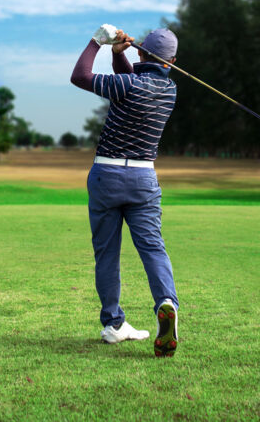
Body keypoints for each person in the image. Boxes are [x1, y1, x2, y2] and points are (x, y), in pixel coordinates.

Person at [70, 24, 180, 357]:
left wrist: (98, 43)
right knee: (153, 248)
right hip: (144, 180)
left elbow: (80, 76)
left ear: (142, 51)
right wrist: (121, 56)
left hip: (107, 175)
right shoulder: (169, 90)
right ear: (172, 61)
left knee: (107, 253)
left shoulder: (127, 83)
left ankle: (114, 324)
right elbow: (133, 82)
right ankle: (166, 302)